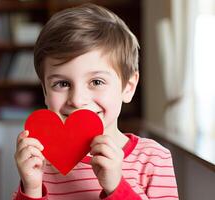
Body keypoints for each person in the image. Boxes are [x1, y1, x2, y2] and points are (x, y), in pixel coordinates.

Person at [13, 3, 178, 200]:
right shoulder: (40, 161)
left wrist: (116, 187)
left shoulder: (154, 159)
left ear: (128, 87)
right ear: (45, 91)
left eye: (96, 81)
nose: (77, 99)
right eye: (62, 83)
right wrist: (31, 189)